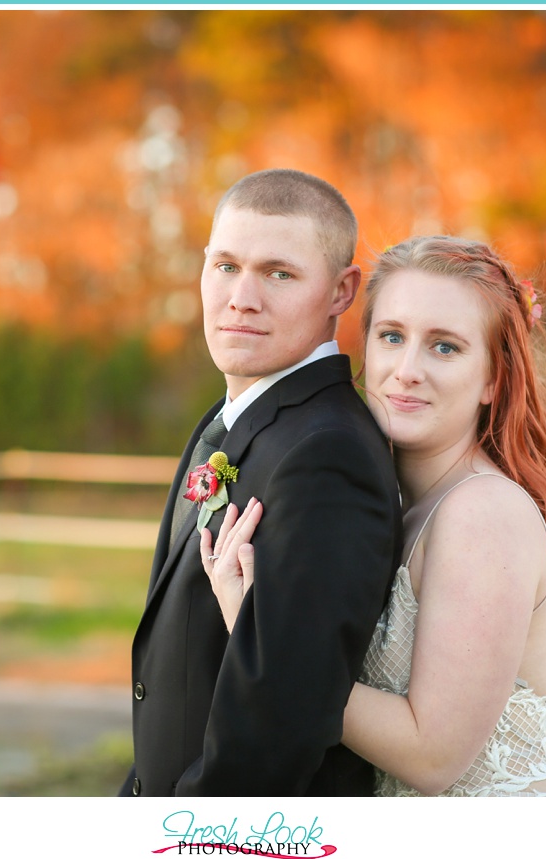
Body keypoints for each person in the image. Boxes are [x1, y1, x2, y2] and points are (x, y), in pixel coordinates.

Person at [204, 234, 546, 796]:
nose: (407, 369)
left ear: (494, 378)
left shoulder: (483, 513)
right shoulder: (399, 503)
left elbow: (431, 756)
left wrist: (262, 636)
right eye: (392, 337)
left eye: (445, 347)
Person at [119, 169, 402, 797]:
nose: (241, 297)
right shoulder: (231, 422)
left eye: (278, 273)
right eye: (225, 266)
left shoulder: (328, 455)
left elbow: (281, 718)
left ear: (340, 291)